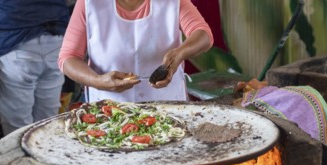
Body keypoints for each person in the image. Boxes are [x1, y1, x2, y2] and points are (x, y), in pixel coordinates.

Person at [58, 0, 213, 103]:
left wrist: (180, 53)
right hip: (108, 113)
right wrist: (97, 81)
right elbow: (68, 57)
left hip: (168, 108)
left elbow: (203, 34)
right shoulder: (90, 4)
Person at [0, 0, 70, 136]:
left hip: (16, 40)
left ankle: (20, 155)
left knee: (17, 126)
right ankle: (45, 155)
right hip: (56, 37)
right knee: (47, 121)